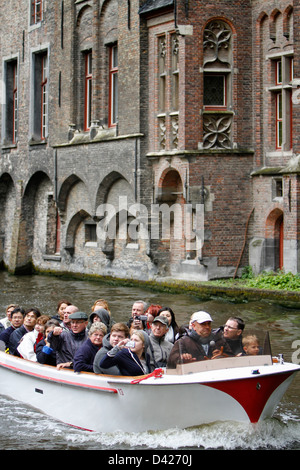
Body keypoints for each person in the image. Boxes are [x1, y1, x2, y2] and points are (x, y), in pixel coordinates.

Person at [167, 311, 233, 369]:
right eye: (203, 324)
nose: (207, 327)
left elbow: (233, 359)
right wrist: (182, 359)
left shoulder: (219, 339)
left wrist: (224, 356)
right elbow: (170, 364)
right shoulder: (183, 342)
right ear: (193, 326)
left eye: (209, 323)